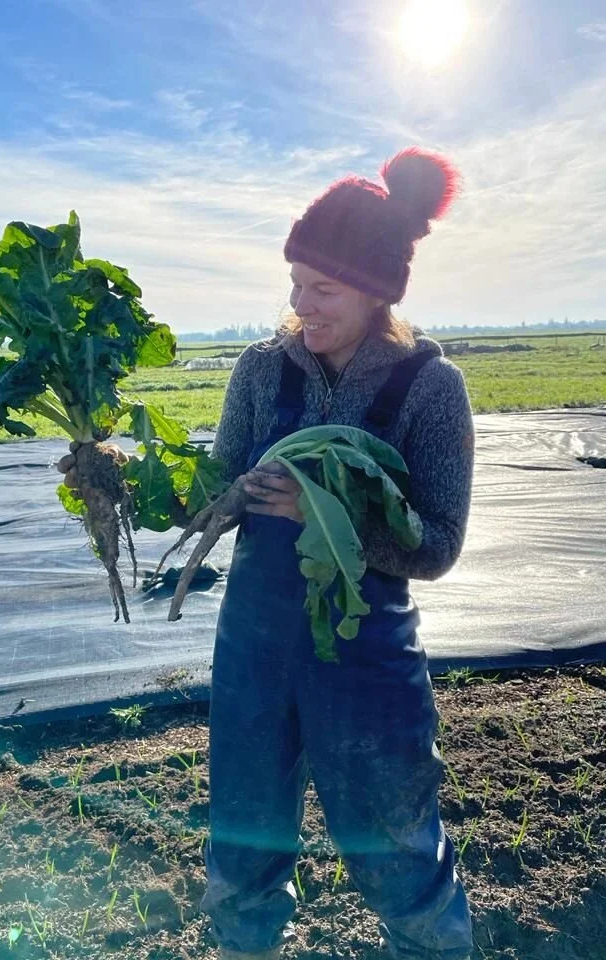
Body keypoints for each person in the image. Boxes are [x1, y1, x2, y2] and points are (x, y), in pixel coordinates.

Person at [198, 147, 476, 960]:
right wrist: (126, 475)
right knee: (243, 841)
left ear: (377, 290)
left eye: (322, 288)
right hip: (253, 644)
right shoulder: (260, 369)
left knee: (396, 851)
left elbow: (439, 546)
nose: (300, 304)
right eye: (295, 283)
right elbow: (213, 490)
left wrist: (334, 518)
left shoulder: (429, 386)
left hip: (368, 659)